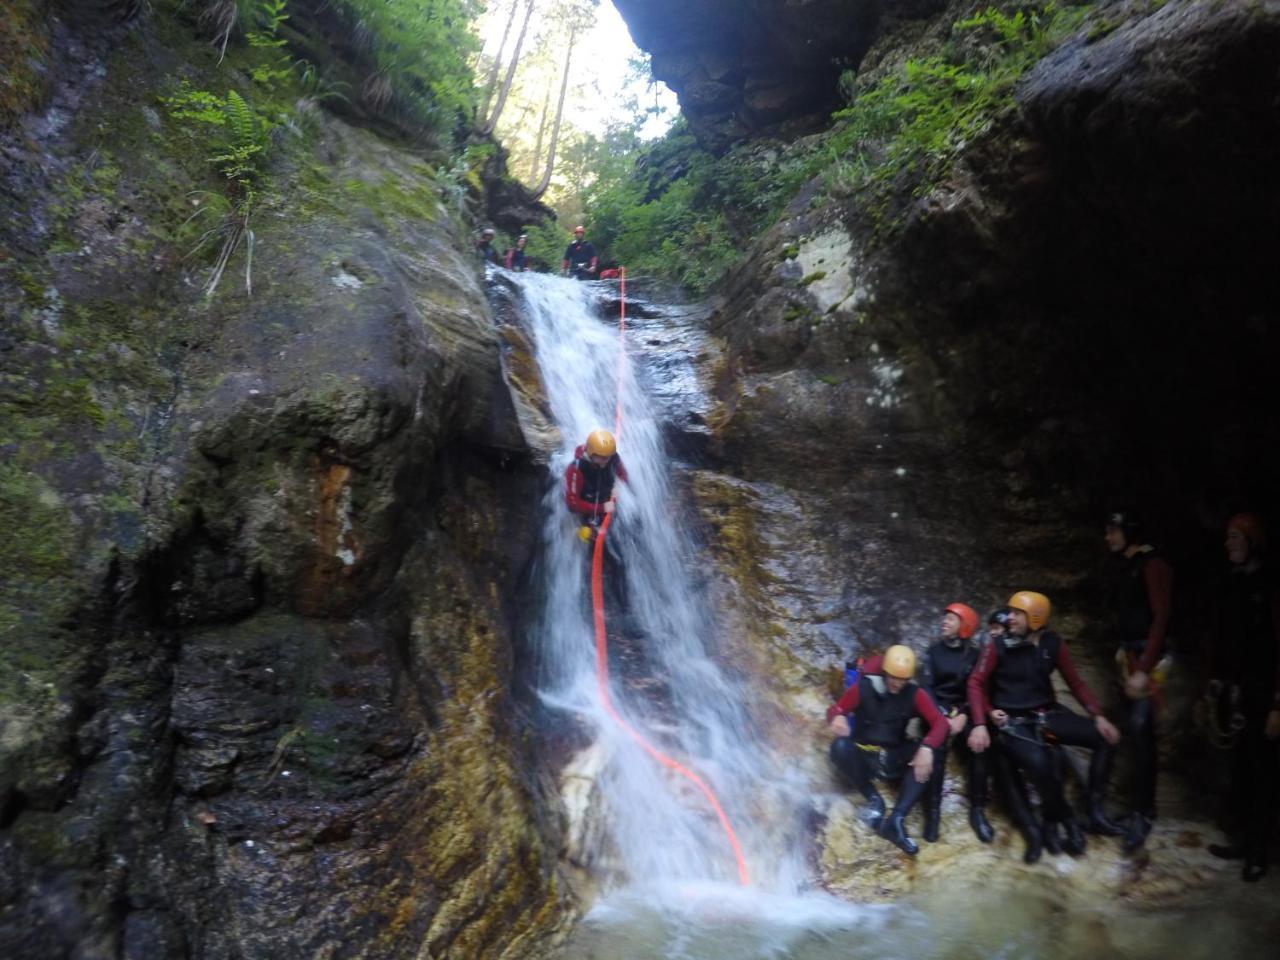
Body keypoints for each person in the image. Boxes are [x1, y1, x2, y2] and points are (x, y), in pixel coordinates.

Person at [967, 591, 1124, 860]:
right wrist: (982, 722)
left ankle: (1094, 811)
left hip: (1046, 721)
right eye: (1011, 612)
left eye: (1018, 613)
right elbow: (975, 682)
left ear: (1035, 618)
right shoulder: (997, 646)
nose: (1011, 618)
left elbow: (1075, 682)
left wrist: (1097, 715)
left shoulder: (1053, 644)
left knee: (1100, 738)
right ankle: (1067, 821)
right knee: (1040, 764)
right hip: (1015, 725)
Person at [1203, 513, 1280, 881]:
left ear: (1252, 543)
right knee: (1242, 773)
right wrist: (1212, 687)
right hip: (1235, 692)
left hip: (1263, 693)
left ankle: (1259, 853)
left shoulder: (1269, 586)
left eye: (1235, 538)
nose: (1227, 543)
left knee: (1263, 773)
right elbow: (1223, 640)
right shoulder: (1232, 584)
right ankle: (1242, 842)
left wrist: (1278, 705)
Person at [826, 645, 948, 856]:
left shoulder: (914, 694)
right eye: (892, 677)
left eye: (902, 679)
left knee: (933, 754)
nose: (896, 683)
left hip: (893, 756)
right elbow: (836, 709)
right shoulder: (863, 688)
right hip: (863, 755)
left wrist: (927, 748)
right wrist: (837, 717)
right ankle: (874, 798)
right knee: (838, 747)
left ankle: (897, 818)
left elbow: (941, 724)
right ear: (884, 673)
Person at [1100, 509, 1174, 853]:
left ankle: (1144, 813)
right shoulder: (1128, 565)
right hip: (1130, 656)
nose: (1108, 537)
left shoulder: (1152, 564)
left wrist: (1145, 668)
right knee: (1133, 733)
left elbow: (1160, 617)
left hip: (1148, 659)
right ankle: (1135, 808)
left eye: (1114, 531)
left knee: (1143, 733)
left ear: (1130, 530)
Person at [920, 603, 994, 843]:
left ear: (965, 627)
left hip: (963, 713)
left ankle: (977, 810)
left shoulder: (975, 656)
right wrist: (940, 716)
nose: (945, 622)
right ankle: (932, 814)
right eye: (945, 618)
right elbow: (926, 687)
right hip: (935, 713)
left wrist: (962, 714)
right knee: (937, 750)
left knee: (979, 747)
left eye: (951, 619)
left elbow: (977, 690)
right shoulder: (933, 652)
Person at [564, 428, 628, 524]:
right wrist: (601, 508)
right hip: (588, 509)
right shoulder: (575, 470)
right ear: (591, 454)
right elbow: (572, 504)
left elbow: (623, 474)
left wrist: (618, 486)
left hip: (607, 501)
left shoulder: (612, 457)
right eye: (602, 457)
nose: (606, 460)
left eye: (608, 456)